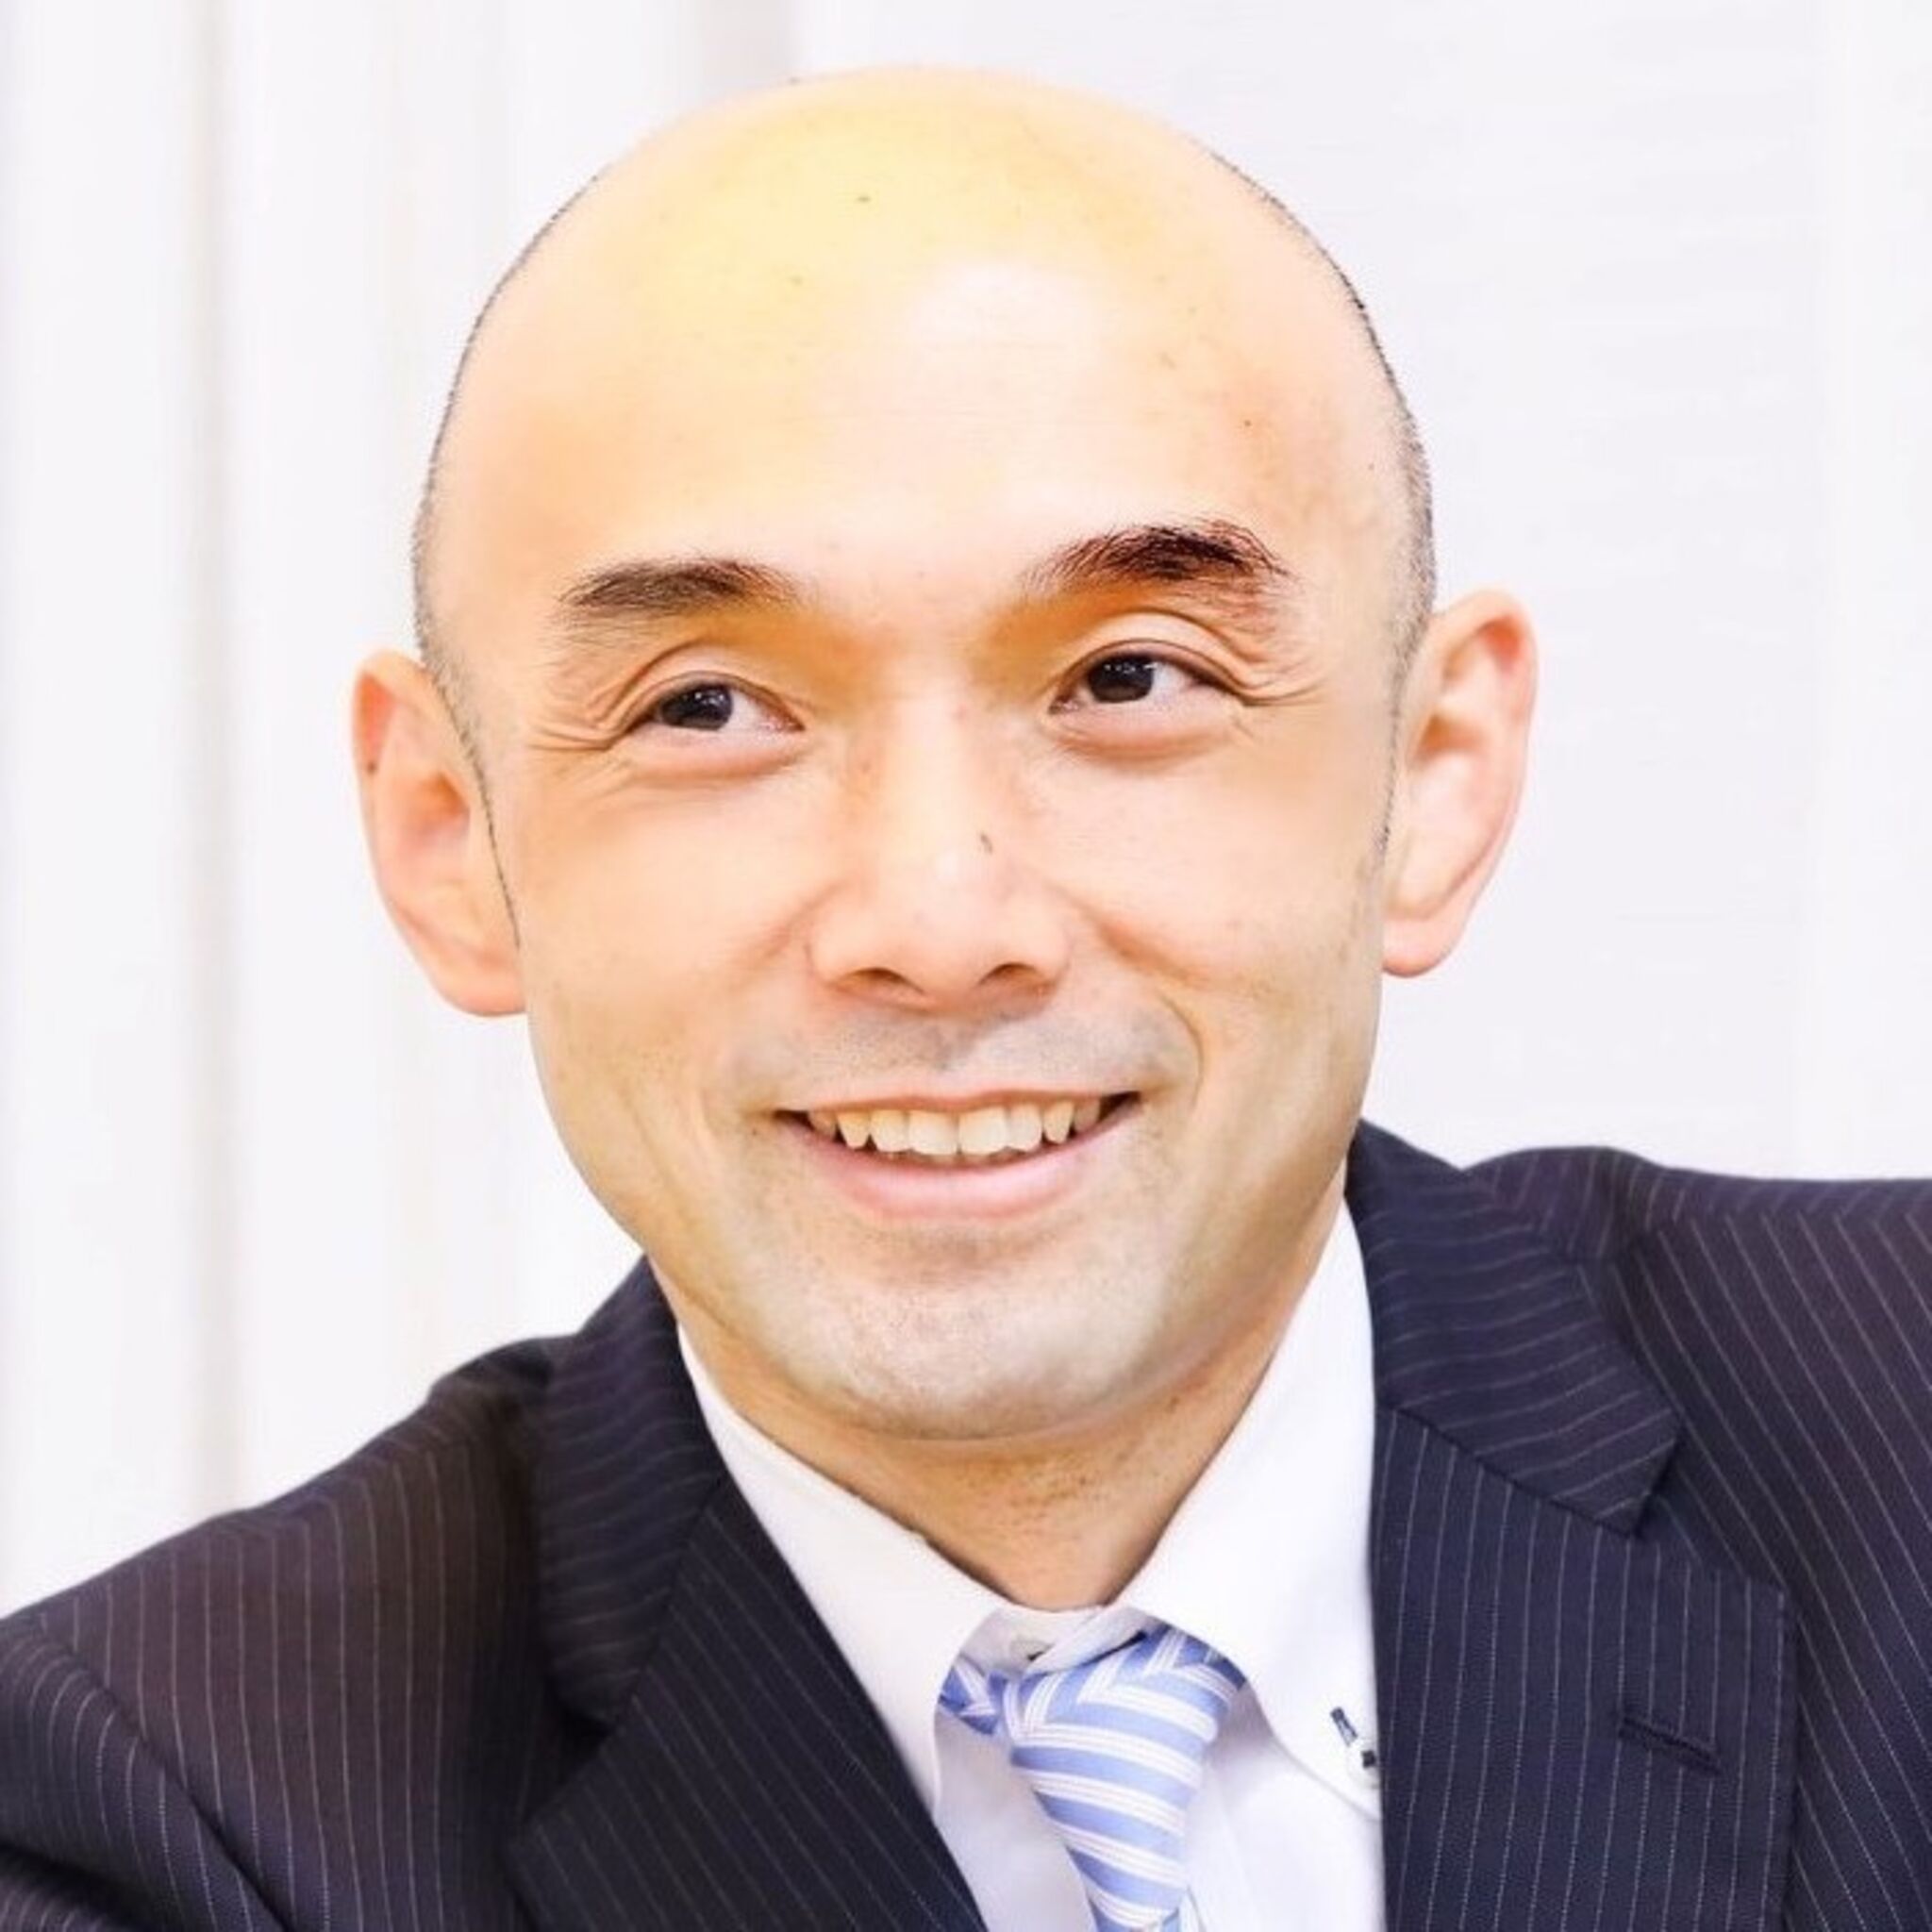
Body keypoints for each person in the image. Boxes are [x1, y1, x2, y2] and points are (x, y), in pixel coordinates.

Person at [1, 65, 1927, 1932]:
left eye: (1129, 679)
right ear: (451, 838)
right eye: (707, 707)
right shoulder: (167, 1819)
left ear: (1430, 777)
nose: (936, 920)